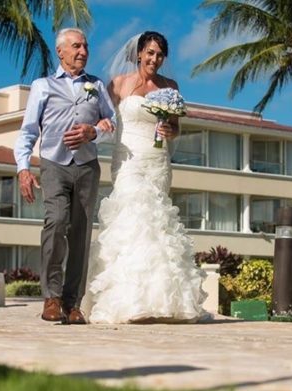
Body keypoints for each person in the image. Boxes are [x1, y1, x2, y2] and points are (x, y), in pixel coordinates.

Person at [81, 31, 208, 323]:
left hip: (158, 161)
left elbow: (175, 127)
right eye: (150, 53)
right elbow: (103, 117)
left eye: (160, 54)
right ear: (139, 53)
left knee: (158, 225)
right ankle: (127, 301)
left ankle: (160, 302)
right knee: (133, 220)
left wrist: (170, 131)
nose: (155, 59)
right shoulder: (118, 83)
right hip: (128, 160)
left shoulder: (170, 87)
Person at [14, 28, 115, 324]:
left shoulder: (96, 85)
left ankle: (73, 304)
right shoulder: (42, 85)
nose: (83, 51)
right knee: (56, 222)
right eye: (76, 46)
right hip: (54, 163)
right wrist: (23, 167)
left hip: (87, 166)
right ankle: (52, 297)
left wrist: (93, 132)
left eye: (85, 45)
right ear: (60, 51)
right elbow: (29, 131)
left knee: (81, 234)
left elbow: (113, 125)